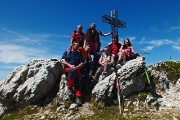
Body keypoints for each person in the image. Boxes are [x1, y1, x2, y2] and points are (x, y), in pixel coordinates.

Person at [61, 41, 84, 106]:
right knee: (73, 70)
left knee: (78, 81)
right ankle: (70, 87)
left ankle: (78, 96)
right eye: (76, 46)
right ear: (73, 46)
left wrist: (77, 67)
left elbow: (82, 63)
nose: (77, 48)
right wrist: (70, 65)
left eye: (78, 46)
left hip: (76, 69)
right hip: (67, 69)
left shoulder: (79, 54)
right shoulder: (67, 52)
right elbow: (62, 61)